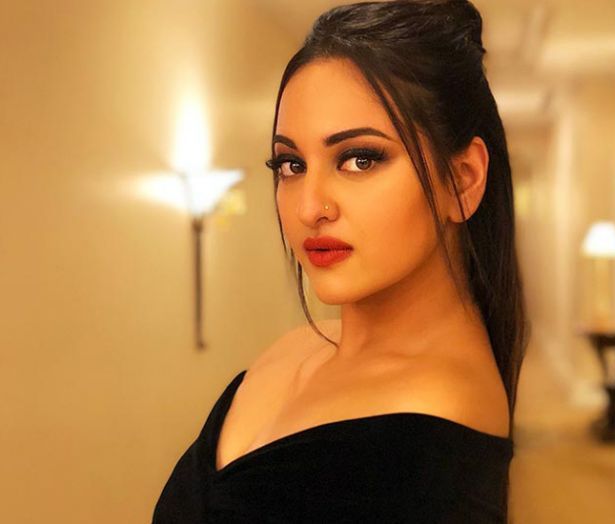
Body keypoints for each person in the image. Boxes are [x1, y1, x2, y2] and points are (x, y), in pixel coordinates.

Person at [153, 0, 529, 522]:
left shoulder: (431, 439)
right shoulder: (294, 349)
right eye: (291, 164)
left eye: (359, 159)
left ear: (462, 180)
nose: (310, 208)